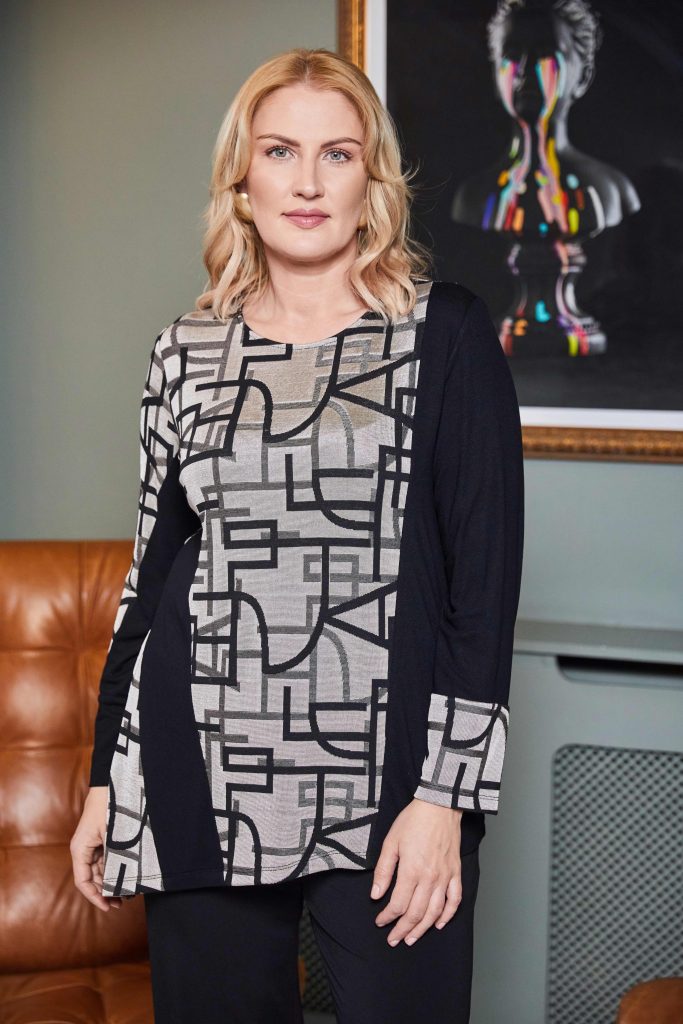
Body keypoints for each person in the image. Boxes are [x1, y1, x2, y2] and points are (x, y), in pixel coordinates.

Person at [70, 46, 524, 1024]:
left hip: (394, 789)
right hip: (199, 774)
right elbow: (151, 581)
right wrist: (109, 776)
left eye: (337, 154)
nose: (307, 182)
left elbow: (480, 593)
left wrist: (445, 799)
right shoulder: (184, 353)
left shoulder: (442, 335)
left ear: (372, 180)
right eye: (279, 152)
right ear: (242, 178)